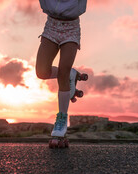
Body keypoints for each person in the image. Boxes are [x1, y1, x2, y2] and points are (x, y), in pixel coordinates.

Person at [36, 0, 87, 139]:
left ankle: (61, 120)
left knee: (63, 74)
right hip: (51, 27)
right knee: (41, 72)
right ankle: (71, 74)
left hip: (71, 28)